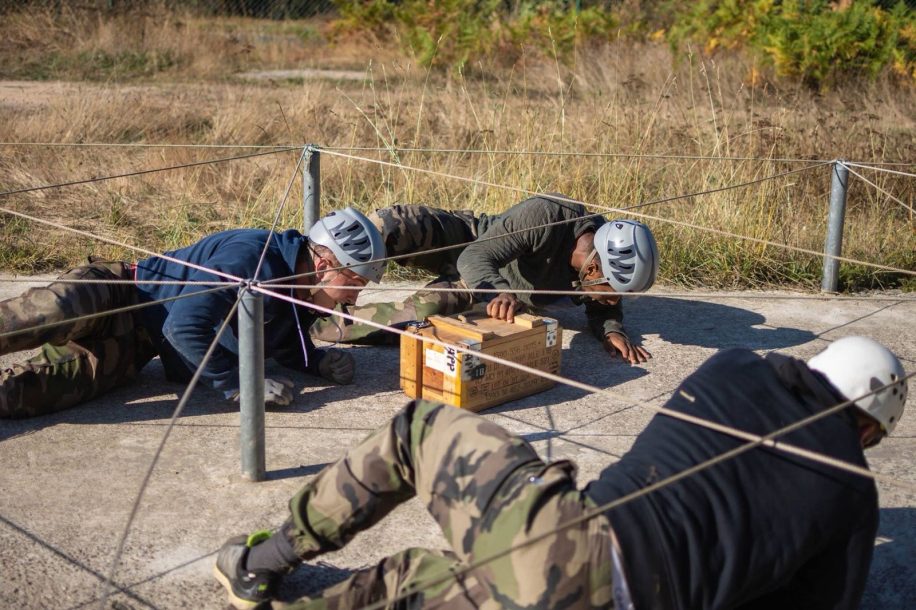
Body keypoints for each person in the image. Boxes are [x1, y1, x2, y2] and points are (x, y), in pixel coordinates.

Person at [213, 335, 908, 610]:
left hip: (568, 537)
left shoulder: (734, 365)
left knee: (419, 428)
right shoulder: (853, 491)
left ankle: (263, 564)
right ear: (871, 428)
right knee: (417, 583)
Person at [0, 207, 385, 419]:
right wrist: (239, 385)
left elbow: (284, 342)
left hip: (137, 347)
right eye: (355, 284)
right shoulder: (252, 259)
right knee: (38, 317)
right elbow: (183, 325)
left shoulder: (300, 291)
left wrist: (315, 363)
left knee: (28, 394)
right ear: (324, 267)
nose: (353, 299)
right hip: (119, 291)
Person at [311, 194, 659, 365]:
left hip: (480, 293)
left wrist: (612, 328)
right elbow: (475, 256)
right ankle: (307, 284)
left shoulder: (597, 271)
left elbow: (601, 306)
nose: (613, 299)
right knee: (389, 225)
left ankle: (310, 325)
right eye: (610, 292)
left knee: (414, 318)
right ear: (593, 269)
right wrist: (502, 291)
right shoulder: (551, 215)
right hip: (473, 243)